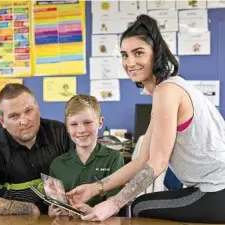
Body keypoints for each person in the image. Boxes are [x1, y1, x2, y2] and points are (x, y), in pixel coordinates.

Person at [67, 14, 225, 223]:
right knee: (139, 203)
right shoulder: (166, 89)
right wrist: (94, 189)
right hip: (213, 189)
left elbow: (157, 163)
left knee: (141, 206)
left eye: (138, 53)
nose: (129, 62)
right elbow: (143, 160)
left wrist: (112, 204)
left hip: (216, 190)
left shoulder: (167, 91)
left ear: (155, 54)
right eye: (124, 55)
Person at [0, 83, 74, 216]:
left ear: (37, 107)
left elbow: (86, 175)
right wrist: (31, 210)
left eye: (29, 111)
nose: (24, 121)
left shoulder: (60, 133)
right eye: (14, 116)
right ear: (3, 122)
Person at [48, 94, 124, 217]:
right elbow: (51, 209)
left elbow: (115, 202)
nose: (81, 129)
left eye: (87, 122)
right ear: (66, 127)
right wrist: (53, 211)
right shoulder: (57, 164)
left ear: (100, 122)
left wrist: (93, 211)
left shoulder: (114, 158)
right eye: (74, 124)